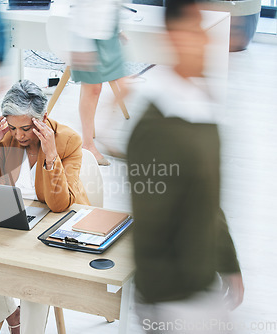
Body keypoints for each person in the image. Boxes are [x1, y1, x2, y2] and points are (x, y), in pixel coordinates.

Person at [127, 1, 244, 333]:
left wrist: (228, 264)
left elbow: (207, 199)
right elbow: (151, 226)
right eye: (197, 31)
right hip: (172, 300)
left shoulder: (201, 108)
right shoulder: (156, 126)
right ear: (174, 36)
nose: (208, 42)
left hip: (198, 291)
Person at [0, 80, 90, 334]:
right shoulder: (6, 137)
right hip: (15, 223)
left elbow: (59, 204)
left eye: (26, 128)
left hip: (56, 224)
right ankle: (12, 316)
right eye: (13, 127)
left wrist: (50, 154)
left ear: (43, 119)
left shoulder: (68, 141)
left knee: (35, 281)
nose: (19, 135)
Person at [70, 0, 128, 165]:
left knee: (125, 86)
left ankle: (102, 130)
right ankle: (88, 144)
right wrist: (81, 46)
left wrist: (118, 29)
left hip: (109, 29)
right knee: (93, 89)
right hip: (87, 33)